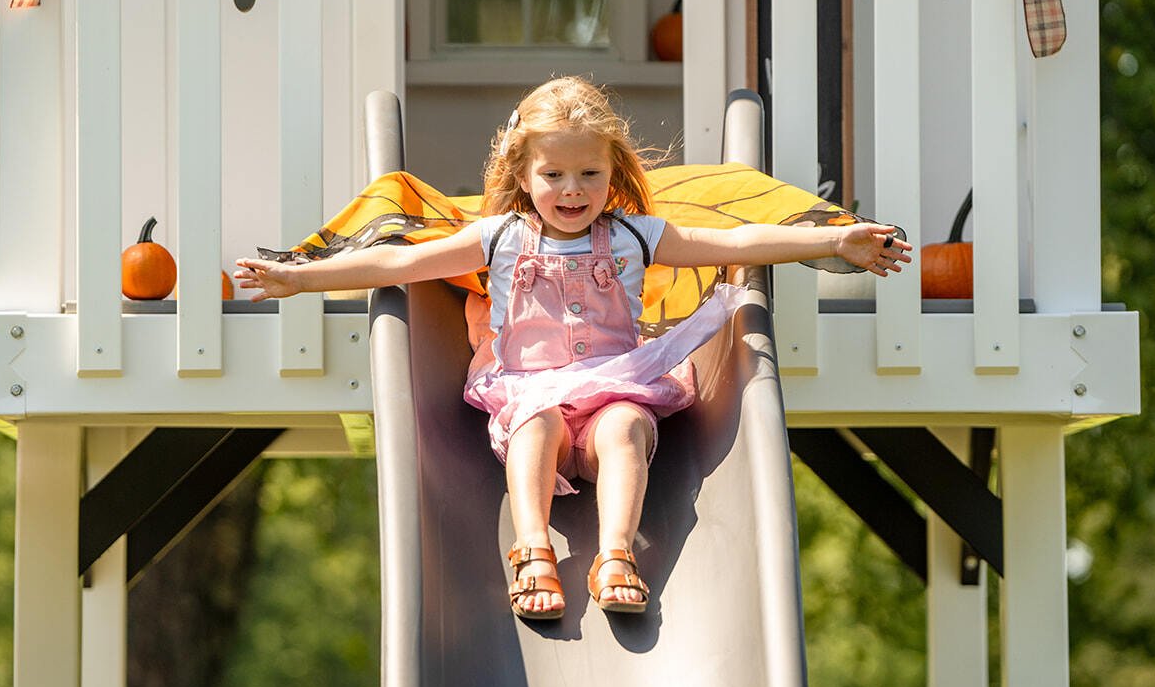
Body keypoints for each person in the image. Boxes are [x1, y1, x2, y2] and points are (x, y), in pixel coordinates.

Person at [234, 76, 911, 621]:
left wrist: (831, 240)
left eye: (589, 173)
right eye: (554, 174)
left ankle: (615, 552)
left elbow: (734, 244)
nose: (572, 190)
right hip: (533, 389)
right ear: (524, 173)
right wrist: (298, 277)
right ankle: (532, 547)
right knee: (535, 427)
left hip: (617, 381)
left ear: (613, 173)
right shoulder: (497, 237)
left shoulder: (634, 236)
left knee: (626, 428)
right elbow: (393, 265)